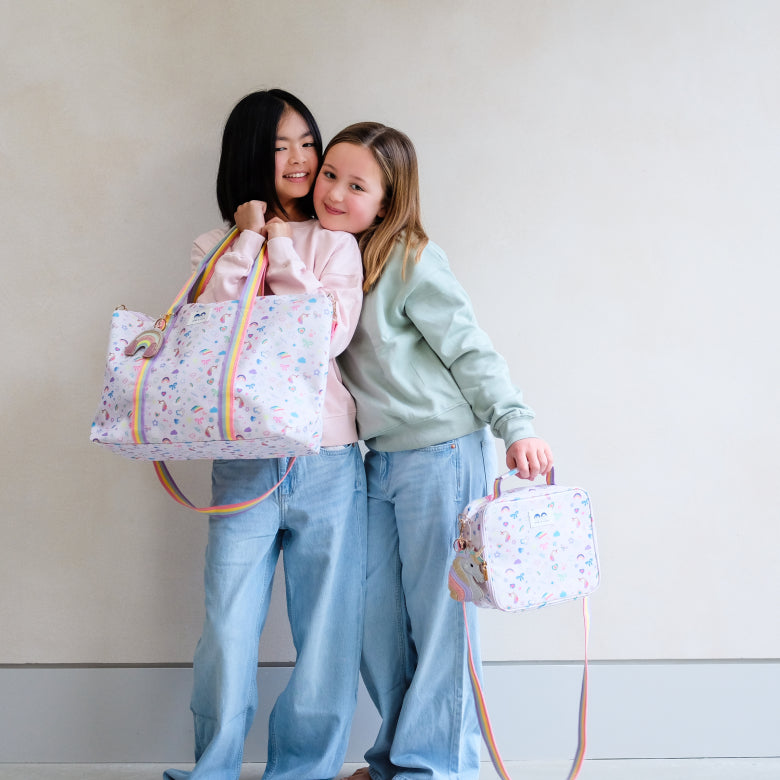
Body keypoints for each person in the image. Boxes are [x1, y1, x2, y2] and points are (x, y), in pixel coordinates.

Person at [314, 122, 554, 780]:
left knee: (440, 618)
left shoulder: (411, 258)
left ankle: (435, 768)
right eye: (330, 174)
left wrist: (516, 424)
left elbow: (468, 347)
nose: (334, 192)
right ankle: (397, 760)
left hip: (442, 454)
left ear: (387, 201)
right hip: (378, 461)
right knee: (376, 619)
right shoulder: (331, 261)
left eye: (356, 185)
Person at [164, 90, 367, 780]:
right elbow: (210, 330)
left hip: (328, 458)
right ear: (252, 153)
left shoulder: (337, 244)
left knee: (326, 633)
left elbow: (324, 335)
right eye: (282, 146)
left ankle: (303, 772)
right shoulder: (215, 244)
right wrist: (249, 237)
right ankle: (214, 770)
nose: (301, 159)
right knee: (226, 626)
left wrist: (281, 243)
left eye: (308, 142)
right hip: (243, 458)